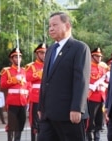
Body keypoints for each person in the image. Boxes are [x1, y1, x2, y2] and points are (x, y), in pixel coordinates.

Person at [37, 12, 91, 141]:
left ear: (67, 26)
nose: (51, 28)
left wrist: (77, 108)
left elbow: (81, 80)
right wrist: (41, 106)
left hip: (69, 114)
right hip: (49, 114)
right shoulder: (51, 50)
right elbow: (45, 80)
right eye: (49, 26)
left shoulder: (79, 48)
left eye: (55, 25)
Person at [0, 47, 29, 141]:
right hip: (13, 102)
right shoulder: (7, 71)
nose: (18, 59)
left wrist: (28, 99)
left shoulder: (25, 71)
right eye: (15, 57)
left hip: (23, 102)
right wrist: (15, 79)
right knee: (12, 125)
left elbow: (28, 86)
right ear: (11, 59)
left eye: (19, 57)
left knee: (21, 124)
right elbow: (3, 84)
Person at [25, 43, 47, 141]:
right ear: (36, 54)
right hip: (36, 97)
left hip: (47, 97)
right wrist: (40, 74)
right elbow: (28, 77)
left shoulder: (49, 64)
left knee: (46, 122)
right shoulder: (31, 66)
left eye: (45, 53)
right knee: (35, 124)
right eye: (41, 53)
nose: (44, 55)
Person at [86, 47, 108, 141]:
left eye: (100, 56)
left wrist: (103, 84)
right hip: (91, 96)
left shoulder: (103, 69)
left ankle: (97, 138)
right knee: (90, 120)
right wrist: (92, 86)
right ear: (92, 56)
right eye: (97, 56)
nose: (99, 58)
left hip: (101, 97)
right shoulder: (88, 67)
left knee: (99, 120)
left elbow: (107, 81)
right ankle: (89, 137)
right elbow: (85, 81)